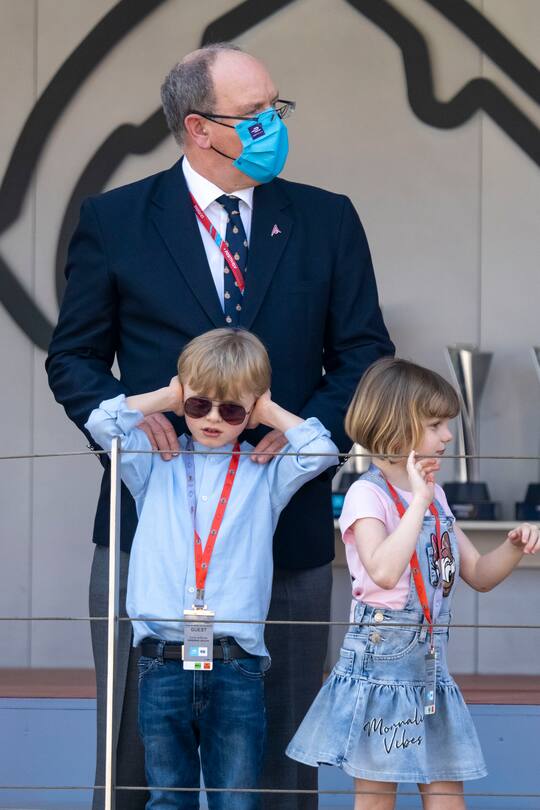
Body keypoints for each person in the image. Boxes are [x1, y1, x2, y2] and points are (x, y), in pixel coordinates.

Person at [46, 42, 394, 809]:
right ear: (198, 128)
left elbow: (366, 353)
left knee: (279, 759)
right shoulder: (115, 220)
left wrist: (302, 433)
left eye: (279, 108)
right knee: (139, 758)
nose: (275, 124)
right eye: (257, 114)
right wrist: (140, 425)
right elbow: (71, 360)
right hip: (150, 531)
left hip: (289, 529)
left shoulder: (327, 220)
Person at [85, 328, 339, 809]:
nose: (214, 419)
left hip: (236, 664)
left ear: (251, 412)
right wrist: (168, 395)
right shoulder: (153, 462)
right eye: (200, 406)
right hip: (161, 660)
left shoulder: (265, 471)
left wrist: (268, 412)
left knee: (236, 800)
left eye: (232, 410)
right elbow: (102, 423)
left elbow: (322, 451)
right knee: (167, 798)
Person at [286, 357, 540, 810]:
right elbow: (382, 570)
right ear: (397, 426)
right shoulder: (368, 494)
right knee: (377, 797)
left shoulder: (436, 495)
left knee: (447, 794)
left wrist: (514, 546)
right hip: (381, 670)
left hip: (431, 672)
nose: (447, 436)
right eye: (436, 424)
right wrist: (418, 504)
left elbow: (478, 574)